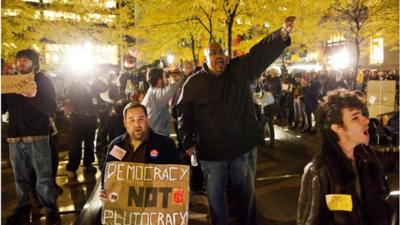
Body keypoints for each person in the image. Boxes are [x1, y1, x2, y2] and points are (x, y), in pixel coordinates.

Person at [176, 17, 295, 225]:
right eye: (213, 53)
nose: (218, 56)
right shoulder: (192, 84)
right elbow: (183, 114)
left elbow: (259, 55)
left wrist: (281, 35)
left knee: (246, 199)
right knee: (216, 202)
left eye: (221, 52)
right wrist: (187, 142)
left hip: (242, 150)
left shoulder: (238, 71)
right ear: (204, 59)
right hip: (212, 155)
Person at [297, 89, 393, 225]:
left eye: (362, 114)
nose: (366, 120)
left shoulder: (368, 156)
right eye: (355, 117)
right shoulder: (319, 171)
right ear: (337, 128)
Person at [2, 49, 61, 225]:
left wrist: (33, 97)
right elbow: (3, 108)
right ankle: (22, 209)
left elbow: (50, 106)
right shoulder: (10, 81)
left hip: (37, 136)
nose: (21, 63)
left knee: (43, 178)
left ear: (34, 63)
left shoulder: (43, 81)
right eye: (19, 59)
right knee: (20, 178)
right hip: (15, 138)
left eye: (26, 60)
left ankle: (50, 210)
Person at [100, 102, 182, 191]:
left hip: (154, 202)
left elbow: (178, 177)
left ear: (147, 120)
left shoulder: (166, 144)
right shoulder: (116, 145)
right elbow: (106, 174)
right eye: (132, 120)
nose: (137, 124)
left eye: (141, 119)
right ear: (125, 123)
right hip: (122, 201)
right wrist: (104, 190)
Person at [142, 67, 179, 137]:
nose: (166, 79)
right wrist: (173, 79)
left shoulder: (152, 91)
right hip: (156, 135)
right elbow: (172, 89)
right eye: (164, 77)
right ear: (159, 80)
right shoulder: (156, 93)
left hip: (154, 133)